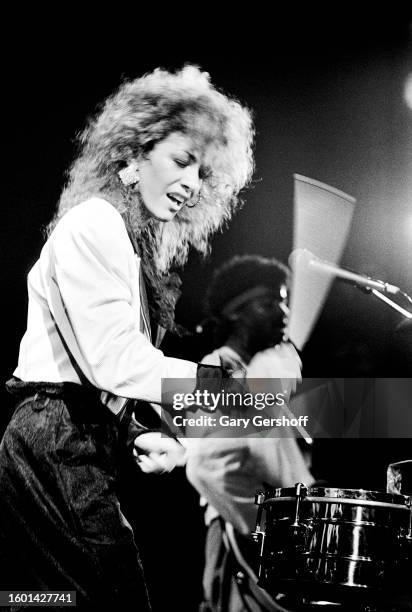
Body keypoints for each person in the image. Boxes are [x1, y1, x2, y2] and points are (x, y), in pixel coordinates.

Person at [0, 65, 254, 610]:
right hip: (57, 436)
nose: (191, 183)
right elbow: (114, 360)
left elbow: (110, 372)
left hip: (76, 435)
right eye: (181, 161)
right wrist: (223, 390)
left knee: (48, 602)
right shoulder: (94, 222)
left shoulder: (133, 246)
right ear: (131, 158)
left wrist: (156, 434)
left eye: (201, 172)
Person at [185, 255, 314, 612]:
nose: (283, 312)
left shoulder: (261, 371)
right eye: (269, 303)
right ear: (235, 314)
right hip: (239, 541)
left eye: (285, 301)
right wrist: (260, 528)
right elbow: (205, 465)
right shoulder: (218, 371)